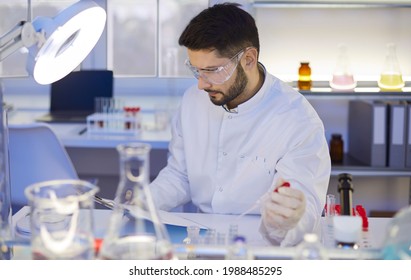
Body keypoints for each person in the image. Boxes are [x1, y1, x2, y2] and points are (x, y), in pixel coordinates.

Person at [150, 2, 331, 246]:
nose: (201, 84)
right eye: (196, 70)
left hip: (263, 244)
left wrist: (283, 220)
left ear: (248, 58)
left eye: (212, 70)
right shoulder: (193, 101)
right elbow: (180, 175)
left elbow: (304, 210)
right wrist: (142, 202)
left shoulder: (297, 120)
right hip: (199, 239)